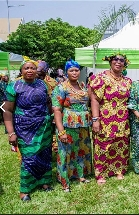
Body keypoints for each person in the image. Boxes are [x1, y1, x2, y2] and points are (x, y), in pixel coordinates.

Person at [3, 57, 53, 201]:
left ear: (36, 70)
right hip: (25, 128)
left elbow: (48, 103)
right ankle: (25, 190)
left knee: (44, 155)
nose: (30, 70)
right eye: (26, 68)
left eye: (32, 68)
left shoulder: (42, 85)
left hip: (44, 126)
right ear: (21, 70)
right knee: (29, 157)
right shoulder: (14, 86)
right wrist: (11, 132)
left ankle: (44, 182)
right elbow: (7, 110)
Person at [89, 52, 132, 185]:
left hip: (122, 119)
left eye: (121, 60)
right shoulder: (101, 78)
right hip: (105, 119)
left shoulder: (127, 81)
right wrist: (95, 119)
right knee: (103, 145)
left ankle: (118, 169)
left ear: (125, 64)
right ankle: (101, 173)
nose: (118, 62)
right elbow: (95, 99)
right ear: (110, 61)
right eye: (115, 59)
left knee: (121, 143)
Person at [52, 59, 92, 192]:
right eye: (71, 70)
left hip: (83, 125)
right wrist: (61, 131)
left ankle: (80, 175)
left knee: (80, 150)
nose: (74, 73)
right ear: (66, 72)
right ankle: (65, 181)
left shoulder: (82, 85)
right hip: (68, 125)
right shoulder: (61, 87)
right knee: (65, 152)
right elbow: (57, 110)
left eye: (76, 70)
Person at [36, 60, 59, 153]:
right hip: (32, 115)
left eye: (42, 74)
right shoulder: (24, 81)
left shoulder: (53, 82)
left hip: (49, 114)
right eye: (38, 73)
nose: (40, 77)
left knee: (49, 135)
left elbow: (57, 99)